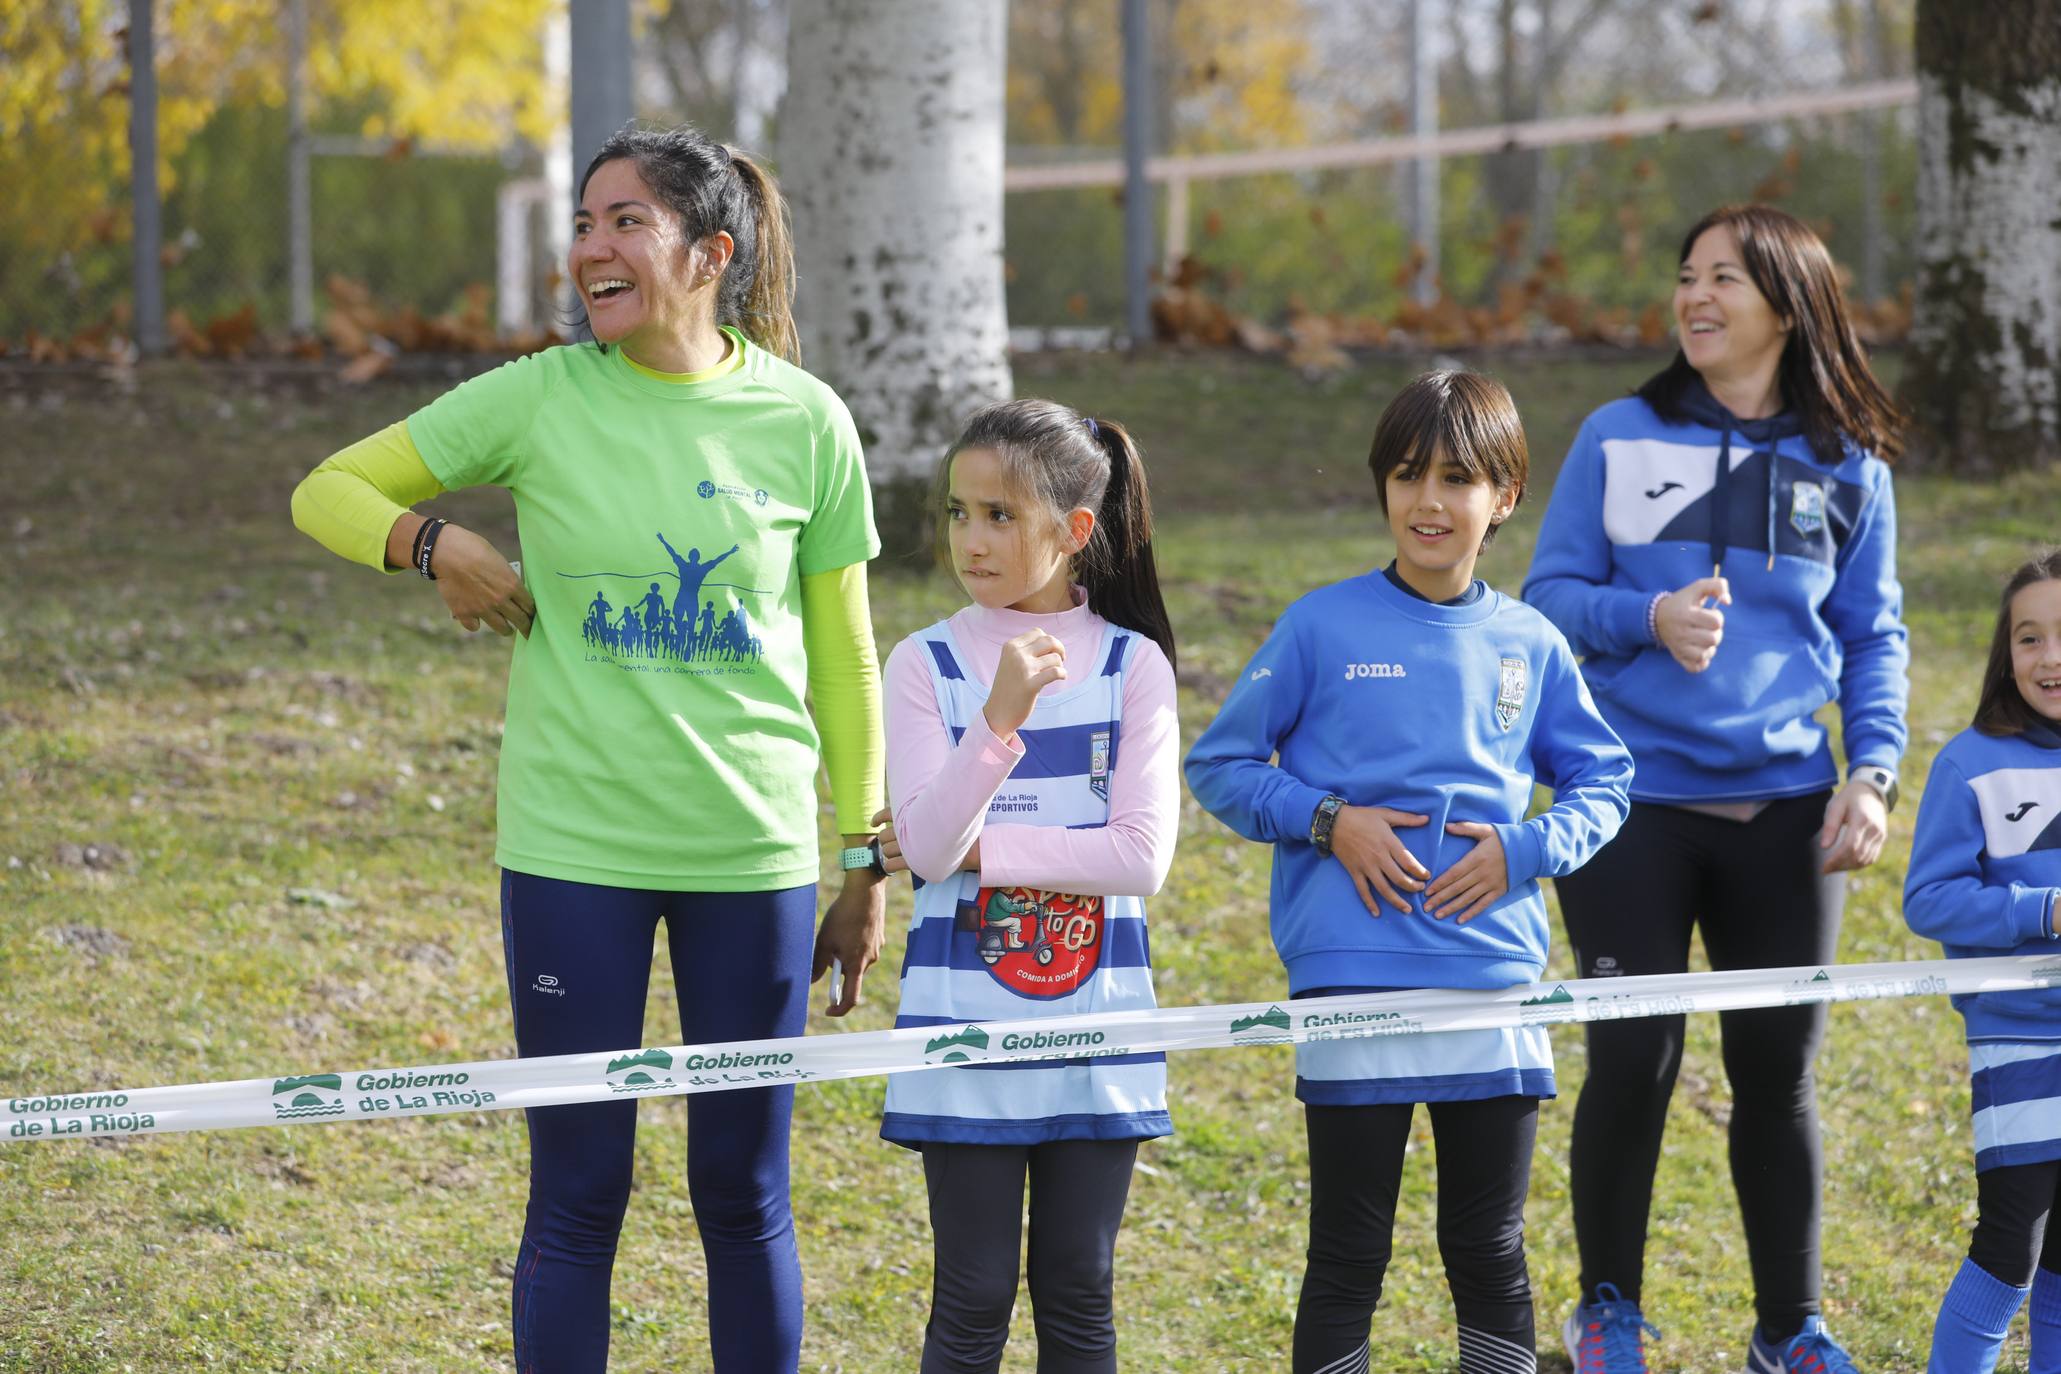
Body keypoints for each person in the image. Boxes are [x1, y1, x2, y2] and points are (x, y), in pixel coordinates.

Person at [289, 123, 888, 1374]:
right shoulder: (538, 396)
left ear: (710, 252)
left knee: (744, 1192)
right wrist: (432, 545)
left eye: (625, 223)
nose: (591, 251)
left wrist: (861, 856)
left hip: (753, 856)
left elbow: (843, 657)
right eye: (581, 224)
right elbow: (328, 486)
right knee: (577, 1193)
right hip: (574, 858)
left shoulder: (805, 421)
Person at [1522, 204, 1909, 1373]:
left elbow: (1874, 635)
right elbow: (1545, 599)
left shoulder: (1850, 467)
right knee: (1631, 1063)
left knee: (1776, 1078)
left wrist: (1874, 773)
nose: (1695, 297)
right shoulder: (1616, 433)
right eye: (1685, 275)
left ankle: (1789, 1329)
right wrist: (1645, 618)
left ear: (1788, 304)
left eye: (1724, 279)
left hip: (1789, 812)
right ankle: (1607, 1315)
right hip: (1628, 806)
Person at [1185, 370, 1633, 1374]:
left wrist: (1526, 849)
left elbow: (1606, 783)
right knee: (1349, 1254)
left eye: (1458, 479)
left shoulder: (1531, 642)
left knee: (1488, 1247)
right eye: (1406, 475)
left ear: (1506, 498)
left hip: (1491, 986)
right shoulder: (1320, 625)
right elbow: (1216, 766)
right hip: (1354, 985)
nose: (1429, 502)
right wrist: (1327, 819)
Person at [870, 398, 1180, 1374]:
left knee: (1081, 1293)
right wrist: (997, 723)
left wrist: (973, 847)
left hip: (1100, 1030)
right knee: (971, 1297)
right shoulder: (923, 663)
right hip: (962, 1030)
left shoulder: (1135, 668)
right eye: (959, 512)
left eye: (1000, 515)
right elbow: (923, 846)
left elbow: (1140, 858)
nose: (972, 538)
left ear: (1074, 531)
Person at [1905, 551, 2061, 1374]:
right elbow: (1928, 899)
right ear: (2005, 656)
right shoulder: (1969, 762)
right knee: (2010, 1247)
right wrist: (2041, 911)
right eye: (2028, 638)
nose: (2049, 657)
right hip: (2018, 1043)